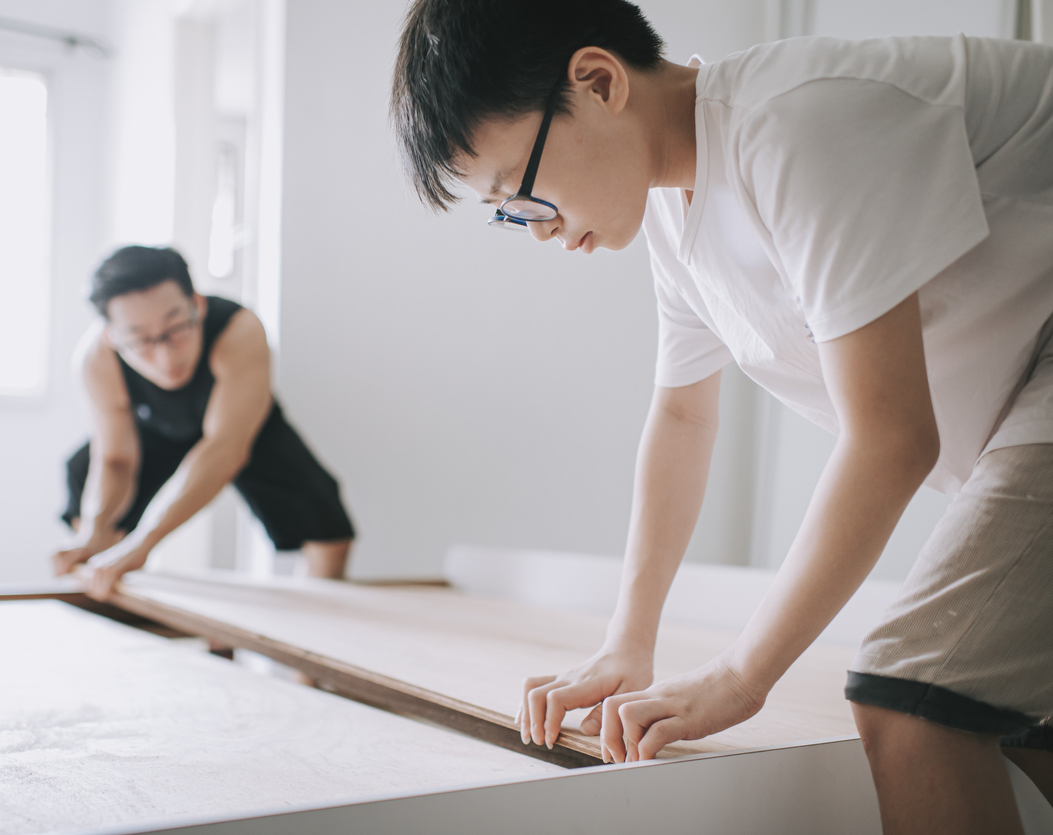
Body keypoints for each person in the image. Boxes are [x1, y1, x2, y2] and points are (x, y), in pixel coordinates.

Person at [391, 1, 1053, 832]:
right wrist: (627, 643)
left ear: (597, 82)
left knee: (914, 700)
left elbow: (889, 440)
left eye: (519, 194)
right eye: (508, 214)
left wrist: (740, 674)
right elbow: (680, 419)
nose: (538, 231)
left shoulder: (794, 128)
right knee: (1020, 722)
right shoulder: (674, 203)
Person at [53, 245, 355, 600]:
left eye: (175, 328)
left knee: (327, 523)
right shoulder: (96, 360)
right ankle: (112, 598)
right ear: (113, 336)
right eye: (141, 340)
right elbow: (116, 458)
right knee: (85, 482)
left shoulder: (240, 331)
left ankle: (313, 629)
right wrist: (94, 529)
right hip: (153, 430)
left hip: (240, 427)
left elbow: (224, 450)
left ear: (197, 304)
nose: (165, 356)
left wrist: (145, 542)